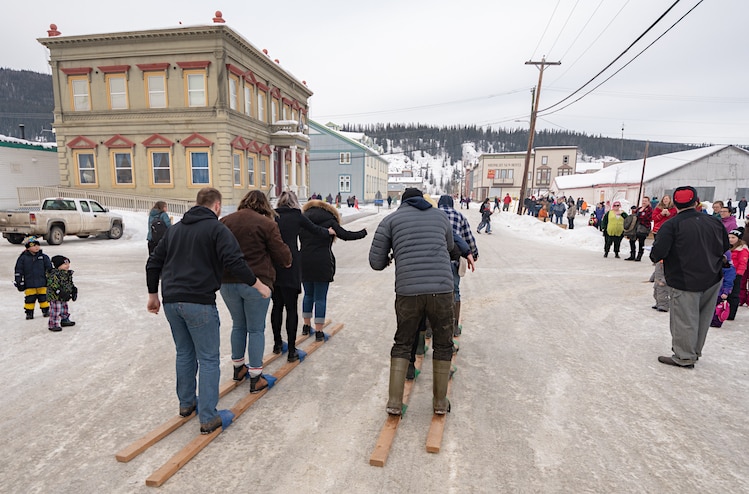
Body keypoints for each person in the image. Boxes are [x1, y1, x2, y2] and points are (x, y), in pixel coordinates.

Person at [146, 187, 272, 435]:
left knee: (184, 353)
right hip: (199, 302)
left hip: (171, 300)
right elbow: (235, 261)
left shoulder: (175, 230)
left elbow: (154, 261)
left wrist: (153, 294)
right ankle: (208, 417)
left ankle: (186, 404)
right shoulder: (216, 229)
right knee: (208, 359)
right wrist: (258, 285)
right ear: (217, 206)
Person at [369, 187, 456, 416]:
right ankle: (439, 402)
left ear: (403, 202)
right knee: (443, 343)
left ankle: (395, 402)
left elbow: (375, 262)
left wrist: (392, 256)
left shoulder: (391, 220)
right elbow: (448, 247)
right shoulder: (441, 216)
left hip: (408, 291)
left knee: (403, 342)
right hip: (442, 289)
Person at [650, 186, 730, 368]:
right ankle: (695, 351)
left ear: (675, 204)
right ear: (696, 201)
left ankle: (684, 356)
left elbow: (658, 253)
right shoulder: (714, 222)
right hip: (713, 276)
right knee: (702, 318)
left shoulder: (671, 225)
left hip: (684, 279)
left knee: (685, 319)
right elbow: (725, 246)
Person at [220, 190, 292, 393]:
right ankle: (256, 376)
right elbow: (283, 255)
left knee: (238, 325)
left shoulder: (225, 221)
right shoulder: (267, 224)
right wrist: (287, 260)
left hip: (227, 282)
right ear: (264, 206)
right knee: (255, 329)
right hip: (257, 282)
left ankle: (238, 368)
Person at [271, 191, 333, 363]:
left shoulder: (273, 216)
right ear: (294, 202)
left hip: (274, 265)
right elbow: (314, 230)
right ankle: (292, 350)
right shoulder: (297, 216)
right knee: (291, 308)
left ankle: (277, 344)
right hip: (290, 264)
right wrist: (328, 232)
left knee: (276, 306)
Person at [299, 198, 367, 340]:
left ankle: (306, 326)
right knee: (320, 298)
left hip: (304, 261)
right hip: (323, 262)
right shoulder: (330, 221)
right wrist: (363, 232)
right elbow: (346, 235)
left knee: (308, 295)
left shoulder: (302, 220)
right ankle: (319, 331)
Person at [438, 195, 479, 337]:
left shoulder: (433, 216)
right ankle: (454, 326)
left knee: (432, 293)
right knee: (454, 291)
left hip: (435, 261)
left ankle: (429, 329)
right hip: (454, 261)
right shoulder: (459, 216)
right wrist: (473, 254)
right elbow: (468, 238)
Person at [14, 235, 52, 320]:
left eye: (37, 245)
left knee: (44, 298)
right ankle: (29, 312)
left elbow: (49, 269)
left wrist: (50, 279)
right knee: (30, 299)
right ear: (28, 247)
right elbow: (18, 270)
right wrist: (19, 281)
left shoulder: (43, 257)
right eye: (33, 245)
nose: (36, 247)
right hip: (29, 283)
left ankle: (45, 310)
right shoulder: (22, 258)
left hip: (42, 283)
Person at [46, 255, 77, 332]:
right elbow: (53, 285)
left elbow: (69, 283)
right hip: (55, 296)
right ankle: (53, 324)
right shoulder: (54, 274)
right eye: (65, 264)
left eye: (68, 264)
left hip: (64, 295)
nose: (68, 266)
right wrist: (59, 292)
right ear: (58, 265)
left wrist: (73, 289)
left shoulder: (67, 274)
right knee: (56, 310)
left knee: (64, 308)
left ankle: (64, 320)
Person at [726, 229, 748, 321]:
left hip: (736, 274)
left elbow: (743, 263)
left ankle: (731, 314)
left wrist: (738, 274)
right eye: (729, 237)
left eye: (733, 237)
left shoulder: (742, 249)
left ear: (738, 239)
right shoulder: (728, 248)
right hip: (727, 273)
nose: (730, 239)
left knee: (734, 294)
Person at [709, 252, 735, 328]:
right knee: (711, 307)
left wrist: (726, 292)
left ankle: (717, 322)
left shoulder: (729, 269)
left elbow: (729, 282)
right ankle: (711, 320)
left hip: (720, 292)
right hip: (713, 290)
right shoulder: (714, 266)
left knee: (718, 308)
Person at [625, 197, 652, 261]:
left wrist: (639, 217)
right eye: (643, 201)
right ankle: (632, 255)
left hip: (643, 227)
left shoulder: (649, 209)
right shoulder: (639, 209)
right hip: (635, 227)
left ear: (648, 202)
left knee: (641, 242)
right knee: (632, 240)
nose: (644, 202)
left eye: (645, 201)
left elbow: (647, 218)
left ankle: (639, 256)